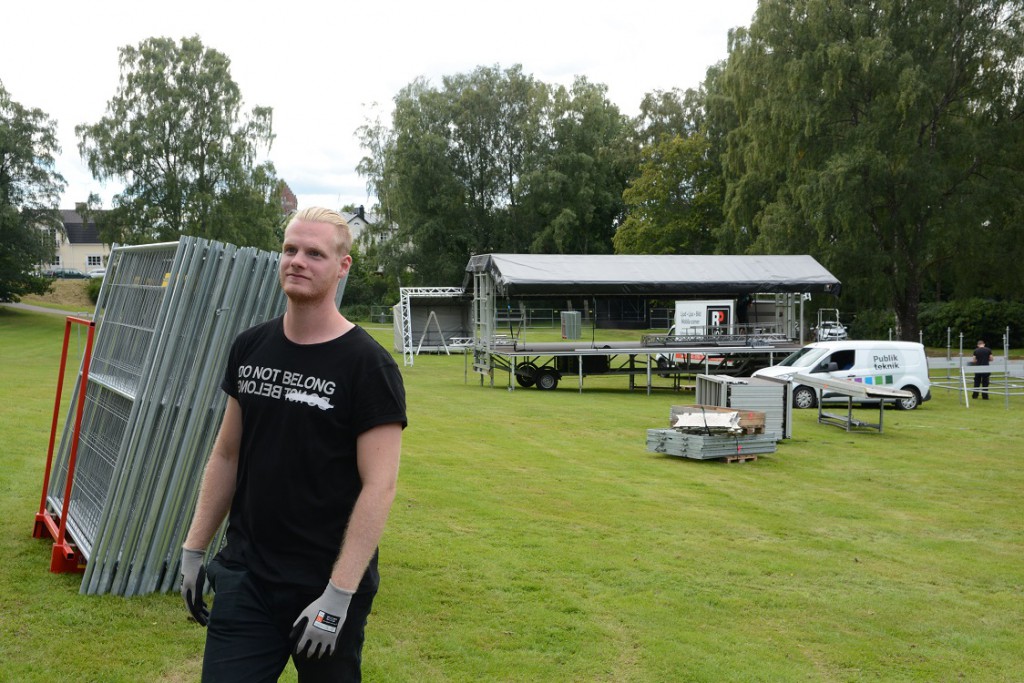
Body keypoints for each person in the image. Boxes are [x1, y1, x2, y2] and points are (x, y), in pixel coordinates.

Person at [179, 207, 407, 682]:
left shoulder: (368, 367)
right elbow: (227, 454)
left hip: (325, 584)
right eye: (290, 249)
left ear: (342, 267)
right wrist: (194, 549)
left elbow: (379, 486)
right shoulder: (250, 347)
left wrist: (339, 595)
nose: (297, 261)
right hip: (248, 577)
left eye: (315, 253)